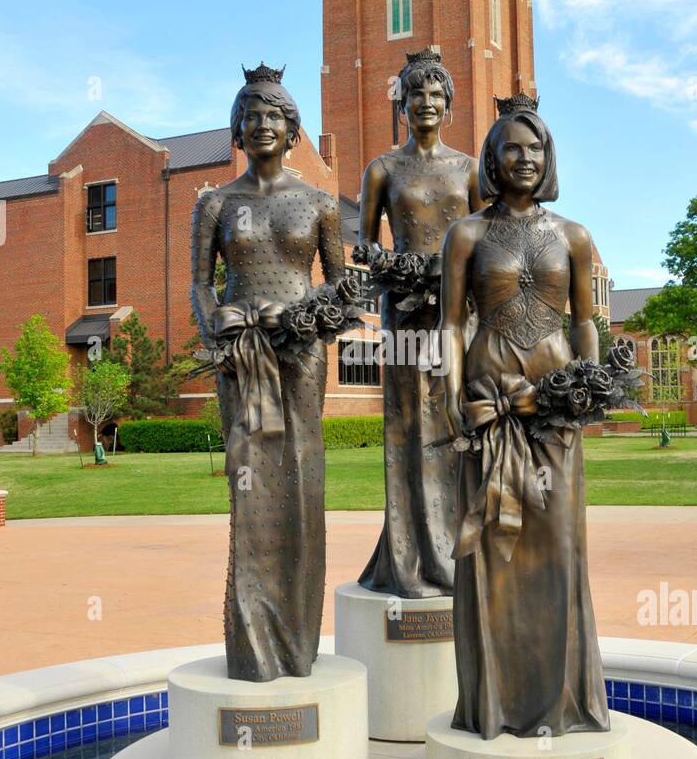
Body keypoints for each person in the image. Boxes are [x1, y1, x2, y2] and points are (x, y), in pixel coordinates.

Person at [439, 95, 610, 739]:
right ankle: (499, 704)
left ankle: (558, 704)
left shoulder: (574, 237)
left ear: (549, 158)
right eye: (513, 147)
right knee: (493, 551)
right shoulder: (468, 235)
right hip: (490, 401)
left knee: (556, 548)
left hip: (555, 408)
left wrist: (583, 391)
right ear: (492, 157)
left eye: (536, 148)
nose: (525, 158)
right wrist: (453, 399)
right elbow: (452, 326)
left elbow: (588, 324)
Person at [191, 63, 349, 682]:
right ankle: (254, 645)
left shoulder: (319, 203)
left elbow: (340, 284)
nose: (262, 123)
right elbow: (200, 282)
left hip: (301, 352)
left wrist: (302, 314)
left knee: (302, 477)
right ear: (238, 127)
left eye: (274, 115)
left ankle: (297, 641)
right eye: (251, 114)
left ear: (292, 130)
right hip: (241, 355)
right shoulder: (215, 203)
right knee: (252, 480)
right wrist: (218, 326)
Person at [356, 48, 480, 598]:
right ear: (402, 104)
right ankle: (408, 554)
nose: (425, 103)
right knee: (408, 423)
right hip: (403, 313)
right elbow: (364, 243)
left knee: (454, 420)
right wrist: (397, 269)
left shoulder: (469, 169)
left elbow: (484, 238)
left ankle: (455, 548)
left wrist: (450, 279)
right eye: (415, 95)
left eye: (435, 95)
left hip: (457, 313)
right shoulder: (382, 170)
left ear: (448, 105)